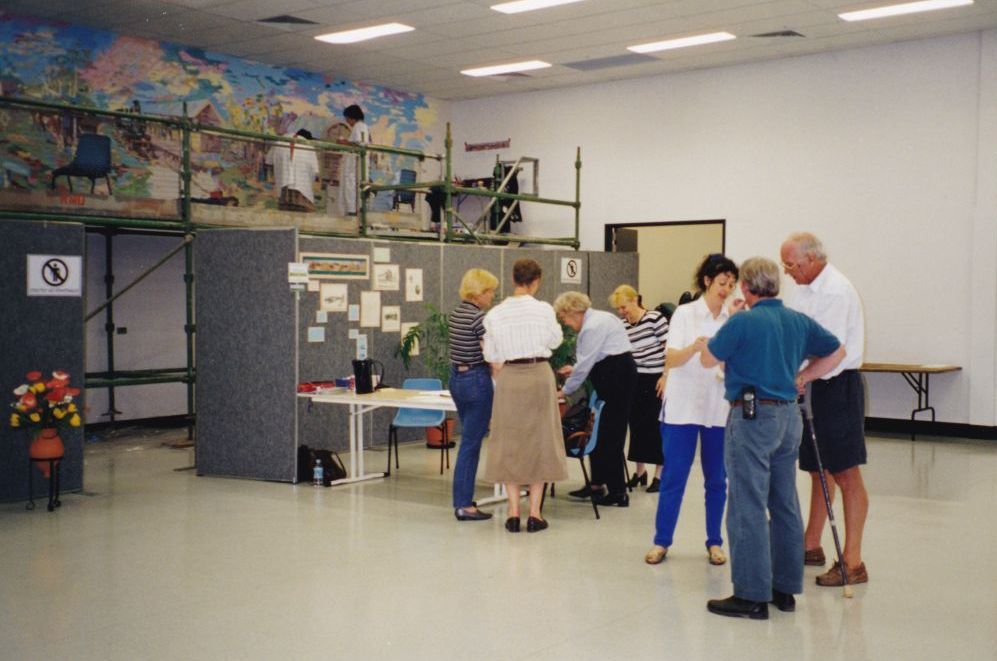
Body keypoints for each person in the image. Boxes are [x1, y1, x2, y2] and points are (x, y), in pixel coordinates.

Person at [701, 256, 844, 619]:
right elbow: (837, 351)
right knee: (784, 502)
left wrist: (732, 322)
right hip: (787, 417)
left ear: (746, 288)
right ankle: (784, 588)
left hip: (751, 418)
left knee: (747, 503)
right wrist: (806, 376)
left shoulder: (743, 321)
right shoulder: (797, 320)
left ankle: (750, 594)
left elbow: (706, 358)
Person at [781, 232, 870, 587]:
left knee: (846, 473)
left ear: (811, 260)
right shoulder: (803, 287)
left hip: (836, 386)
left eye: (791, 264)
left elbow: (832, 352)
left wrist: (800, 378)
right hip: (814, 386)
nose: (787, 272)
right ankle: (811, 543)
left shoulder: (835, 291)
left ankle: (853, 561)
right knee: (819, 469)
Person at [645, 254, 739, 567]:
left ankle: (715, 542)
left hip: (717, 407)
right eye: (722, 283)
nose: (726, 289)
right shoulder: (685, 314)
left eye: (731, 284)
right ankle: (661, 541)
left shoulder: (732, 318)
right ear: (707, 281)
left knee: (717, 479)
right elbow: (670, 359)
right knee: (674, 476)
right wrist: (695, 347)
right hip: (682, 408)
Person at [482, 259, 567, 533]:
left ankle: (512, 512)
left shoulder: (495, 314)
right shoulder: (543, 309)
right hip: (539, 374)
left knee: (509, 440)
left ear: (513, 280)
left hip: (510, 377)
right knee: (541, 439)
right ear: (536, 281)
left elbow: (491, 355)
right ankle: (534, 513)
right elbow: (555, 341)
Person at [554, 291, 637, 507]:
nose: (567, 323)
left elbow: (586, 365)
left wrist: (564, 391)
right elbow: (597, 357)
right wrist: (575, 369)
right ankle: (596, 484)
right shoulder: (602, 317)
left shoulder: (592, 326)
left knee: (611, 434)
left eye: (565, 318)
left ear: (572, 311)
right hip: (615, 373)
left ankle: (618, 492)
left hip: (616, 379)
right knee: (599, 430)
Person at [449, 268, 499, 522]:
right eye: (490, 291)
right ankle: (464, 504)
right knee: (471, 444)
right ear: (479, 292)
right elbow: (490, 356)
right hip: (476, 381)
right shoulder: (480, 319)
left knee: (468, 440)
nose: (492, 296)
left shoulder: (456, 313)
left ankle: (461, 499)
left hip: (456, 380)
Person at [609, 285, 667, 492]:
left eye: (624, 307)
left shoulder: (654, 318)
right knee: (636, 426)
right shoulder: (623, 325)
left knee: (655, 426)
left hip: (656, 378)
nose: (622, 312)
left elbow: (668, 347)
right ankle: (639, 472)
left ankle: (659, 476)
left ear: (635, 300)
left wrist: (665, 376)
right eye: (618, 309)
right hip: (635, 379)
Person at [266, 129, 319, 212]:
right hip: (302, 189)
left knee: (285, 214)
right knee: (305, 215)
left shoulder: (280, 141)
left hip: (284, 187)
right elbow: (315, 171)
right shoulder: (309, 146)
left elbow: (268, 162)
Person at [340, 104, 370, 216]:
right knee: (352, 188)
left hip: (355, 165)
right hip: (355, 165)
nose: (347, 122)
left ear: (352, 117)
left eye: (347, 119)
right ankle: (353, 211)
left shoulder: (359, 126)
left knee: (352, 188)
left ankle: (353, 213)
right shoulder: (361, 127)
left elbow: (360, 143)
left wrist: (344, 142)